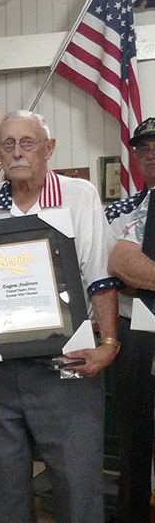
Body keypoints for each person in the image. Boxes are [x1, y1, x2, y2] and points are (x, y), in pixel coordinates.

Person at [0, 110, 120, 523]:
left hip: (67, 358)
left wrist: (109, 343)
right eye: (8, 144)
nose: (17, 152)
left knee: (76, 479)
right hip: (0, 362)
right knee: (4, 483)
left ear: (49, 148)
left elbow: (100, 276)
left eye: (27, 142)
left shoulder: (78, 195)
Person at [103, 117, 155, 523]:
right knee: (134, 437)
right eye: (143, 149)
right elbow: (120, 266)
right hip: (137, 331)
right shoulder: (121, 211)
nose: (150, 155)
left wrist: (143, 279)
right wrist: (135, 279)